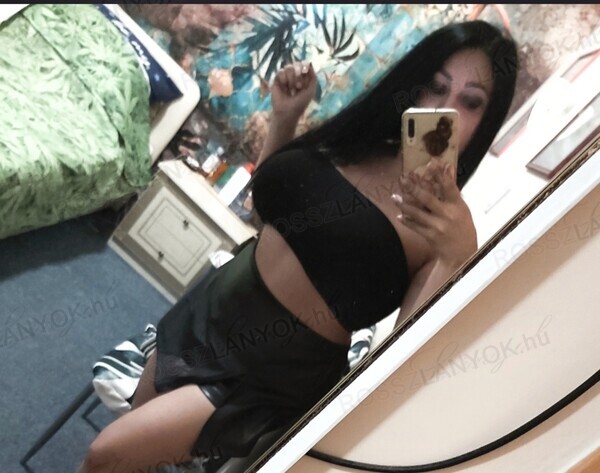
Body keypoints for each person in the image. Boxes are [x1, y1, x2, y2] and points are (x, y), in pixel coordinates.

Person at [78, 20, 518, 473]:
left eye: (470, 102)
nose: (443, 108)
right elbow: (268, 212)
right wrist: (285, 116)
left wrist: (458, 256)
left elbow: (400, 358)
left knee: (107, 454)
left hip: (270, 373)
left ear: (486, 121)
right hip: (215, 304)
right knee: (130, 454)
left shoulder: (444, 227)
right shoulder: (354, 140)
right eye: (436, 87)